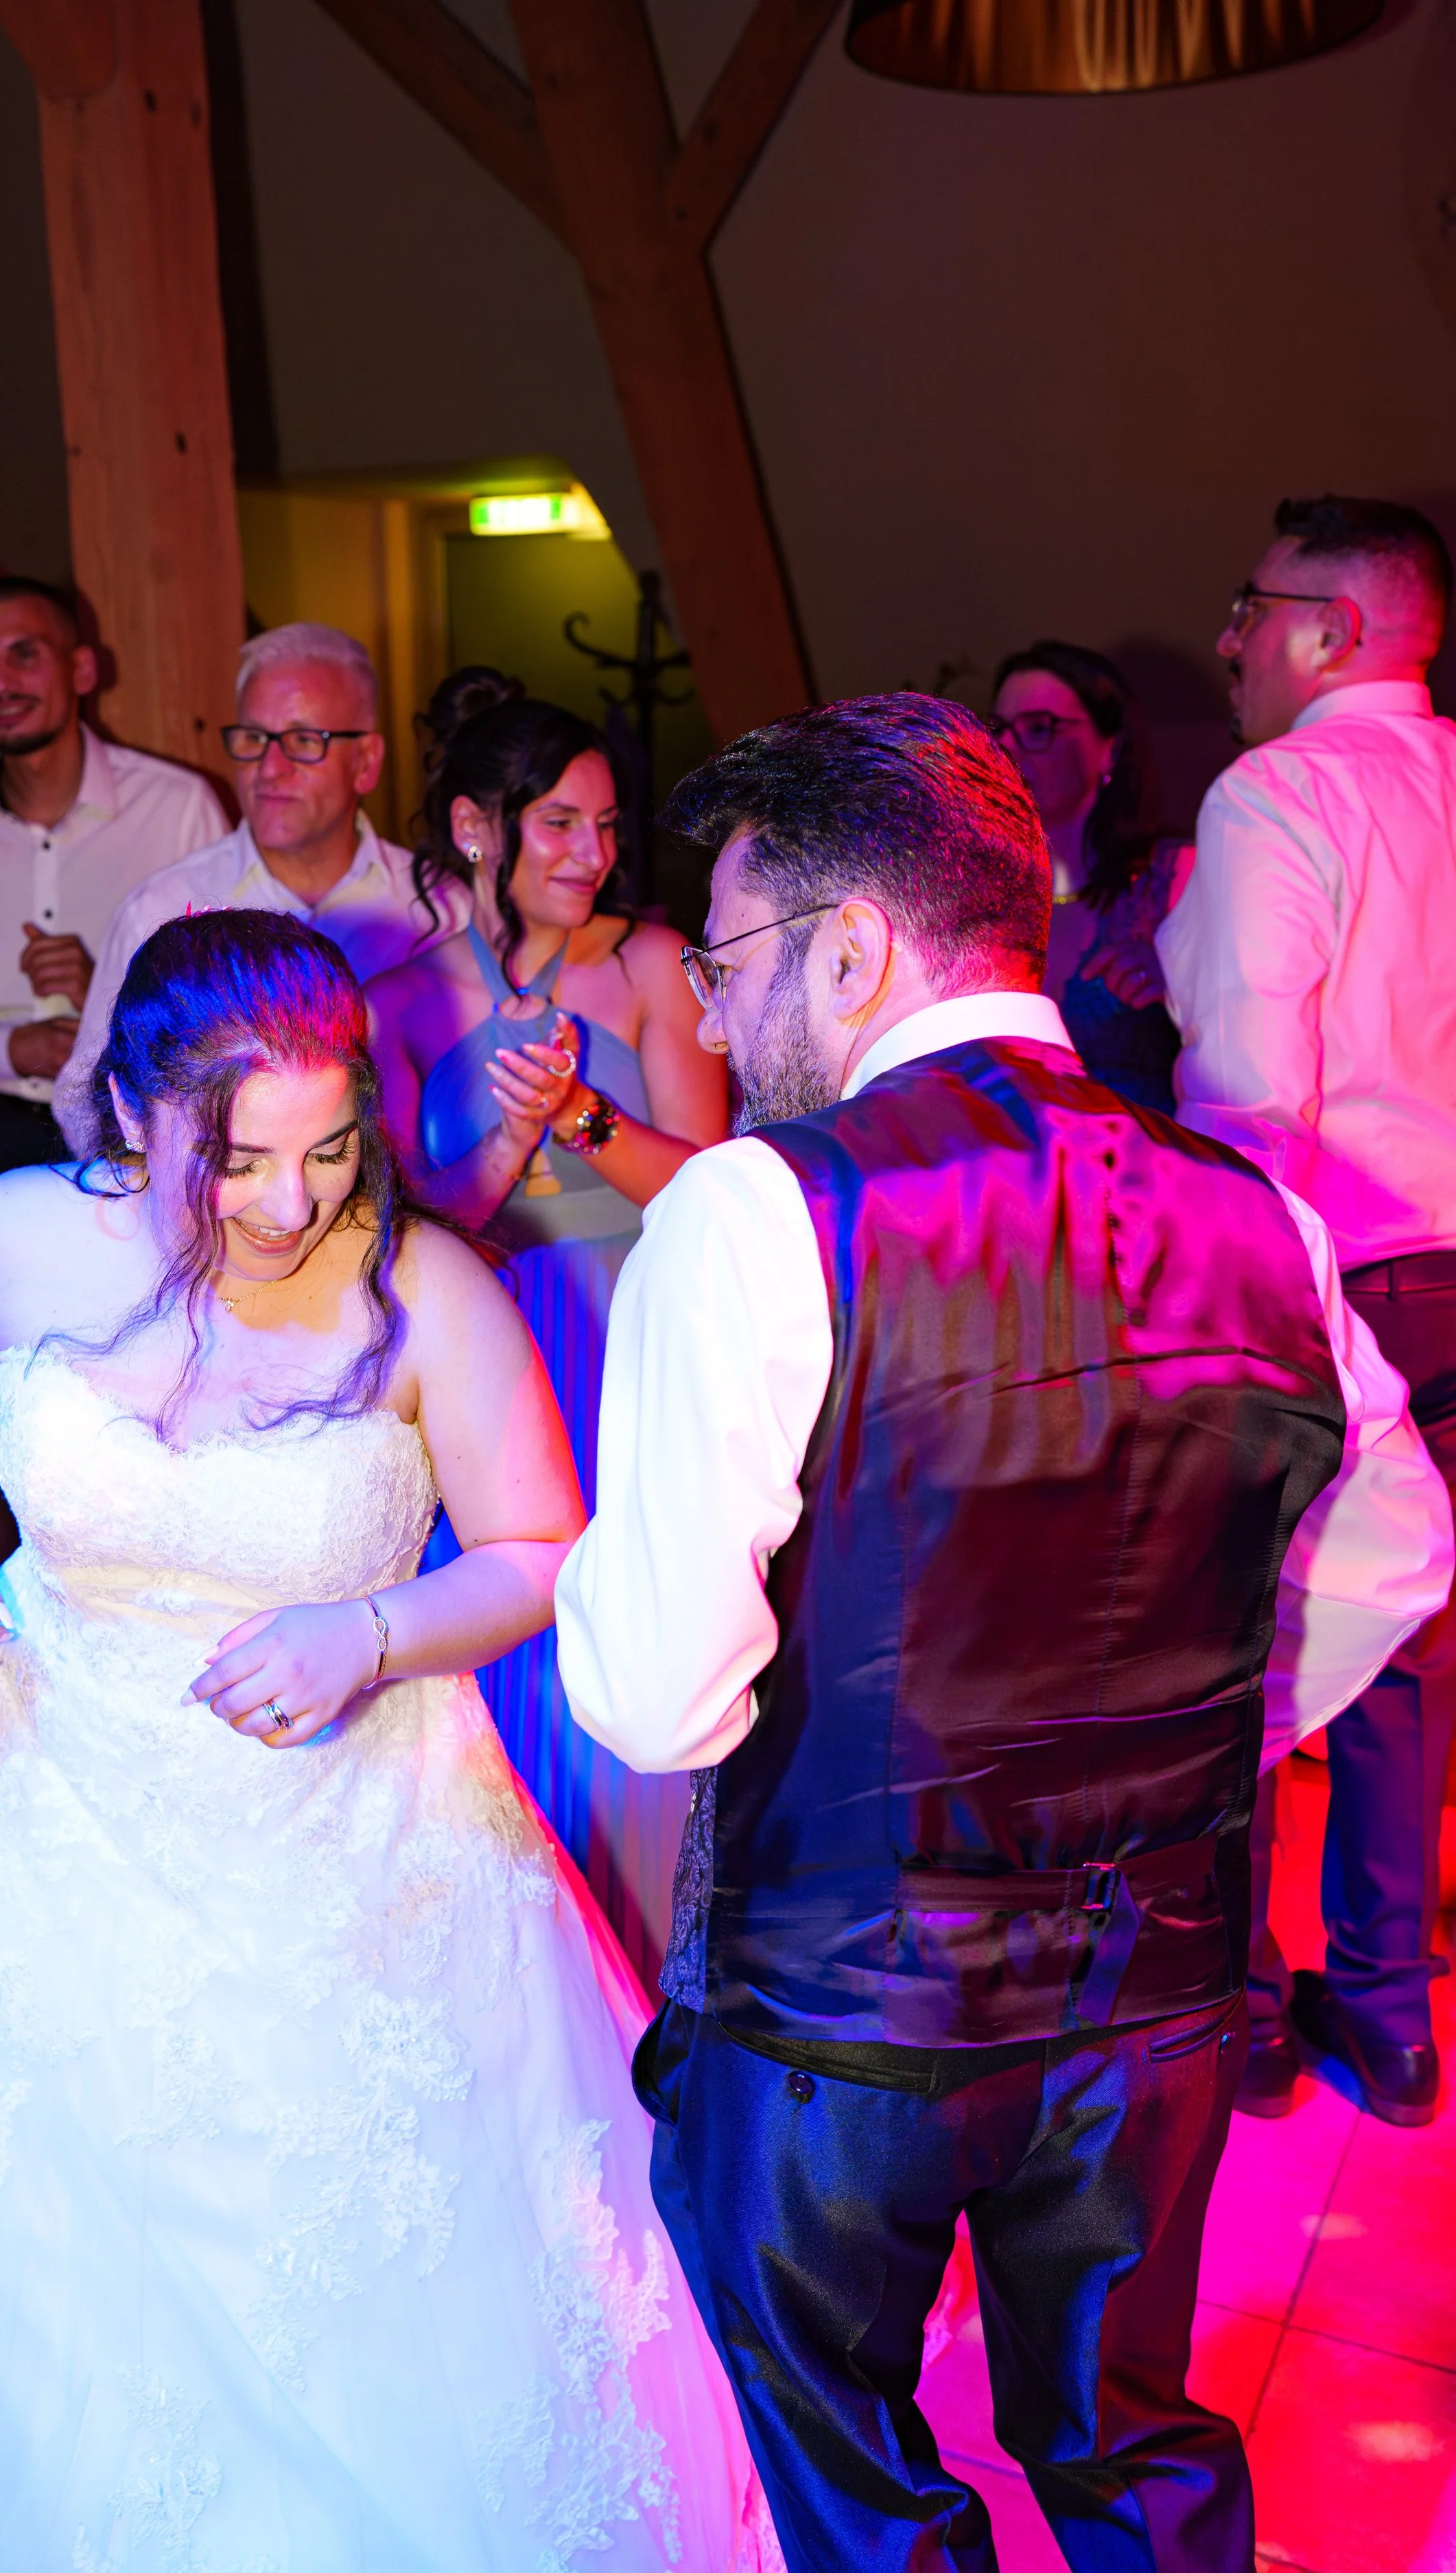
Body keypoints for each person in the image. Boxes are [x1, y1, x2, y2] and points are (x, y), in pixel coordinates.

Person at [555, 694, 1453, 2573]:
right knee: (1132, 2449)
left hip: (840, 2011)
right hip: (1154, 2000)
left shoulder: (755, 1210)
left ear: (853, 947)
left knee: (867, 2494)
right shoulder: (1264, 1216)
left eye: (728, 958)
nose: (710, 1017)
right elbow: (1402, 1538)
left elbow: (657, 1698)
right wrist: (1218, 1717)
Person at [0, 912, 775, 2573]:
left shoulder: (424, 1289)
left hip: (358, 1867)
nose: (288, 1203)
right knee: (44, 2293)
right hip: (45, 1840)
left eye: (328, 1151)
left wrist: (372, 1632)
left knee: (364, 2308)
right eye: (237, 1160)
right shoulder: (14, 1236)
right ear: (131, 1113)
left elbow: (538, 1549)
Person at [1158, 493, 1456, 2128]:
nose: (1228, 639)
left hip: (1333, 1272)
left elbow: (1249, 1089)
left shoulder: (1277, 791)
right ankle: (1393, 2021)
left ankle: (1252, 2013)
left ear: (1330, 631)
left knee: (1258, 1635)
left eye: (1250, 606)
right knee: (1408, 1643)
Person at [367, 681, 729, 1978]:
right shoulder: (398, 999)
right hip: (481, 1362)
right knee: (506, 1655)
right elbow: (411, 1224)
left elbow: (709, 1188)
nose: (595, 853)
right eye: (562, 823)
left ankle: (656, 1966)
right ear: (478, 827)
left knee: (633, 1643)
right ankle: (522, 1976)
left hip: (632, 1343)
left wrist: (578, 1114)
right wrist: (510, 1130)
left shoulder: (650, 966)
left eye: (607, 825)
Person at [54, 623, 466, 1151]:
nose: (270, 769)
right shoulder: (161, 910)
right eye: (253, 739)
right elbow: (84, 1101)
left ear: (366, 762)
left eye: (303, 741)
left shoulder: (439, 911)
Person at [0, 575, 226, 1199]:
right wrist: (13, 1048)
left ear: (82, 670)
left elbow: (226, 997)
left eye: (24, 654)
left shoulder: (178, 807)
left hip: (145, 1134)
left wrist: (106, 994)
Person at [990, 641, 1190, 1113]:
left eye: (1039, 728)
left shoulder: (1176, 873)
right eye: (999, 730)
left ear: (1111, 749)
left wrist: (1182, 983)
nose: (1008, 749)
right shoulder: (985, 896)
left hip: (1155, 1148)